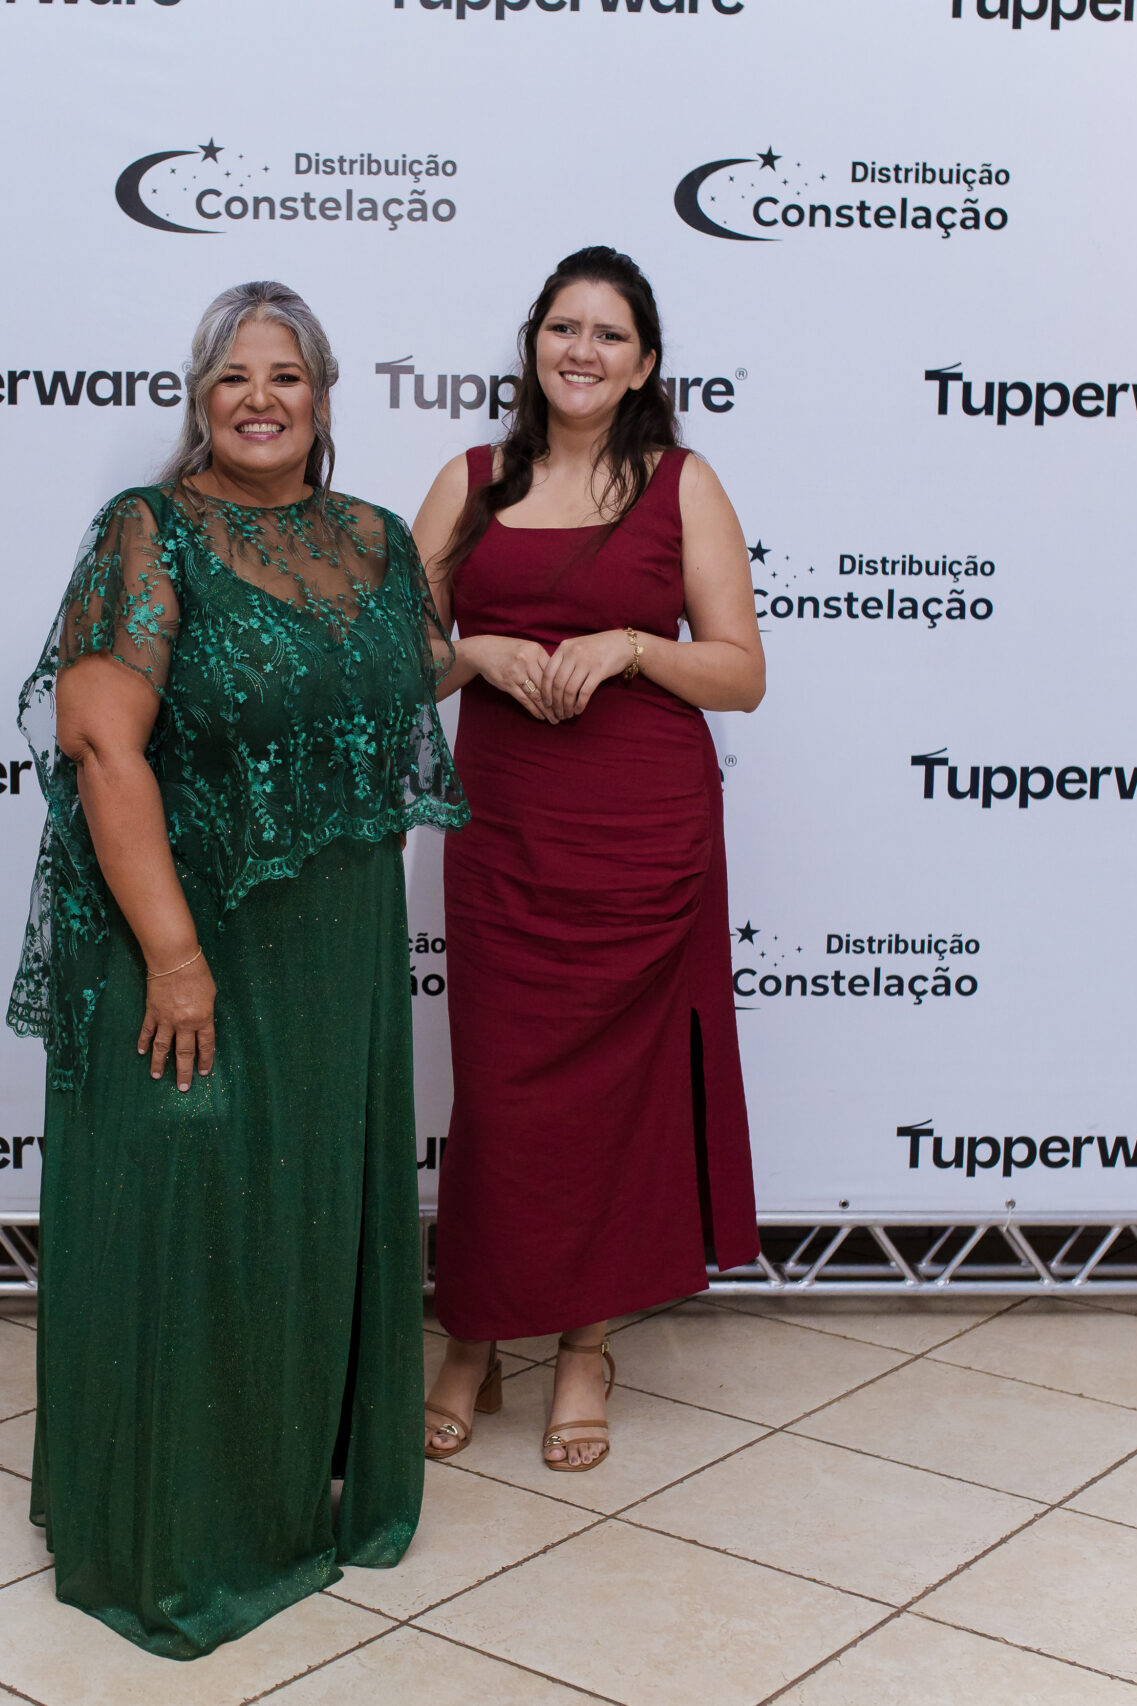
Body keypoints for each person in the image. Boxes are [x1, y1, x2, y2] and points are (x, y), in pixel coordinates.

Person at [7, 281, 466, 1656]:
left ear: (321, 397)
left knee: (307, 1207)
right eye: (232, 378)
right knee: (192, 1210)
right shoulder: (150, 532)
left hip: (337, 937)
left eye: (286, 375)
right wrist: (173, 956)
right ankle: (178, 1527)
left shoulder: (373, 537)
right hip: (189, 930)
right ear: (200, 400)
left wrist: (503, 655)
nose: (260, 399)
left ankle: (295, 1478)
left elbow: (389, 674)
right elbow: (102, 742)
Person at [412, 246, 765, 1474]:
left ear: (645, 364)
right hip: (505, 829)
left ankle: (580, 1348)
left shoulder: (683, 485)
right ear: (533, 345)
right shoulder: (467, 482)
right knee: (499, 1092)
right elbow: (390, 662)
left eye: (609, 334)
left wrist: (631, 645)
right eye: (563, 326)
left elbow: (741, 673)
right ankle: (471, 1334)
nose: (582, 350)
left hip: (642, 833)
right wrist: (475, 654)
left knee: (613, 1101)